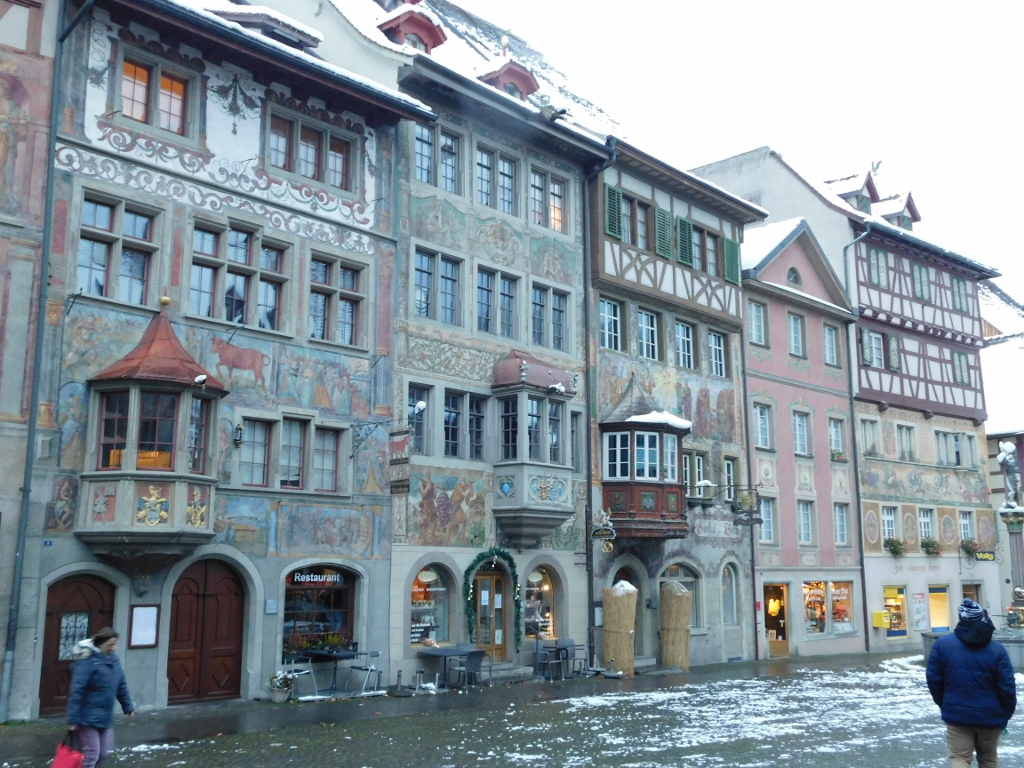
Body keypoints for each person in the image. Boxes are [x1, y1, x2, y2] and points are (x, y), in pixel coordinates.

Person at [926, 599, 1016, 768]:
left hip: (957, 715)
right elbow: (1007, 686)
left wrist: (945, 703)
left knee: (959, 757)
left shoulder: (942, 645)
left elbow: (934, 679)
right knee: (988, 760)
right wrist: (1006, 712)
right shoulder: (997, 649)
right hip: (991, 716)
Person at [67, 627, 135, 768]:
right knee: (92, 754)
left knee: (103, 753)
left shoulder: (114, 660)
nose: (113, 648)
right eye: (110, 645)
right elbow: (77, 691)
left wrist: (127, 706)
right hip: (86, 718)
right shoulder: (87, 661)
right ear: (101, 643)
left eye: (115, 644)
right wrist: (73, 719)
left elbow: (120, 684)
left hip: (105, 716)